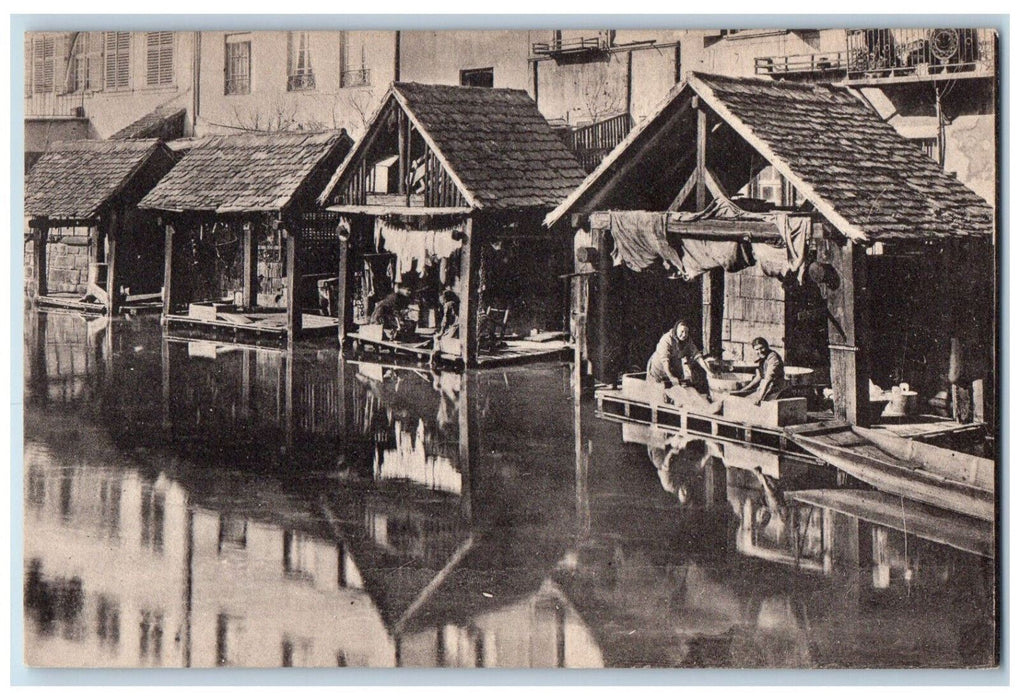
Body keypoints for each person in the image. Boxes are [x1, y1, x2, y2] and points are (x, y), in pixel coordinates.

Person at [646, 320, 715, 394]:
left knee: (678, 393)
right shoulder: (666, 339)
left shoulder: (688, 341)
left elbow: (697, 356)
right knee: (658, 395)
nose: (684, 334)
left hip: (673, 368)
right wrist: (671, 376)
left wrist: (708, 371)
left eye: (686, 332)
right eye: (682, 331)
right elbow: (665, 361)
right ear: (676, 330)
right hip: (658, 370)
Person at [733, 337, 787, 406]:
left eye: (762, 348)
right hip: (764, 388)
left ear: (767, 347)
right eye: (757, 349)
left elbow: (768, 379)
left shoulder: (773, 358)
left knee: (750, 404)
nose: (760, 351)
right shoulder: (762, 358)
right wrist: (743, 390)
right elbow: (758, 377)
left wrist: (759, 397)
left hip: (775, 390)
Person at [430, 289, 460, 366]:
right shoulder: (457, 303)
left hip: (455, 328)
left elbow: (445, 320)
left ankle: (435, 357)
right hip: (458, 327)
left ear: (444, 298)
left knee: (437, 338)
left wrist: (441, 332)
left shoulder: (448, 305)